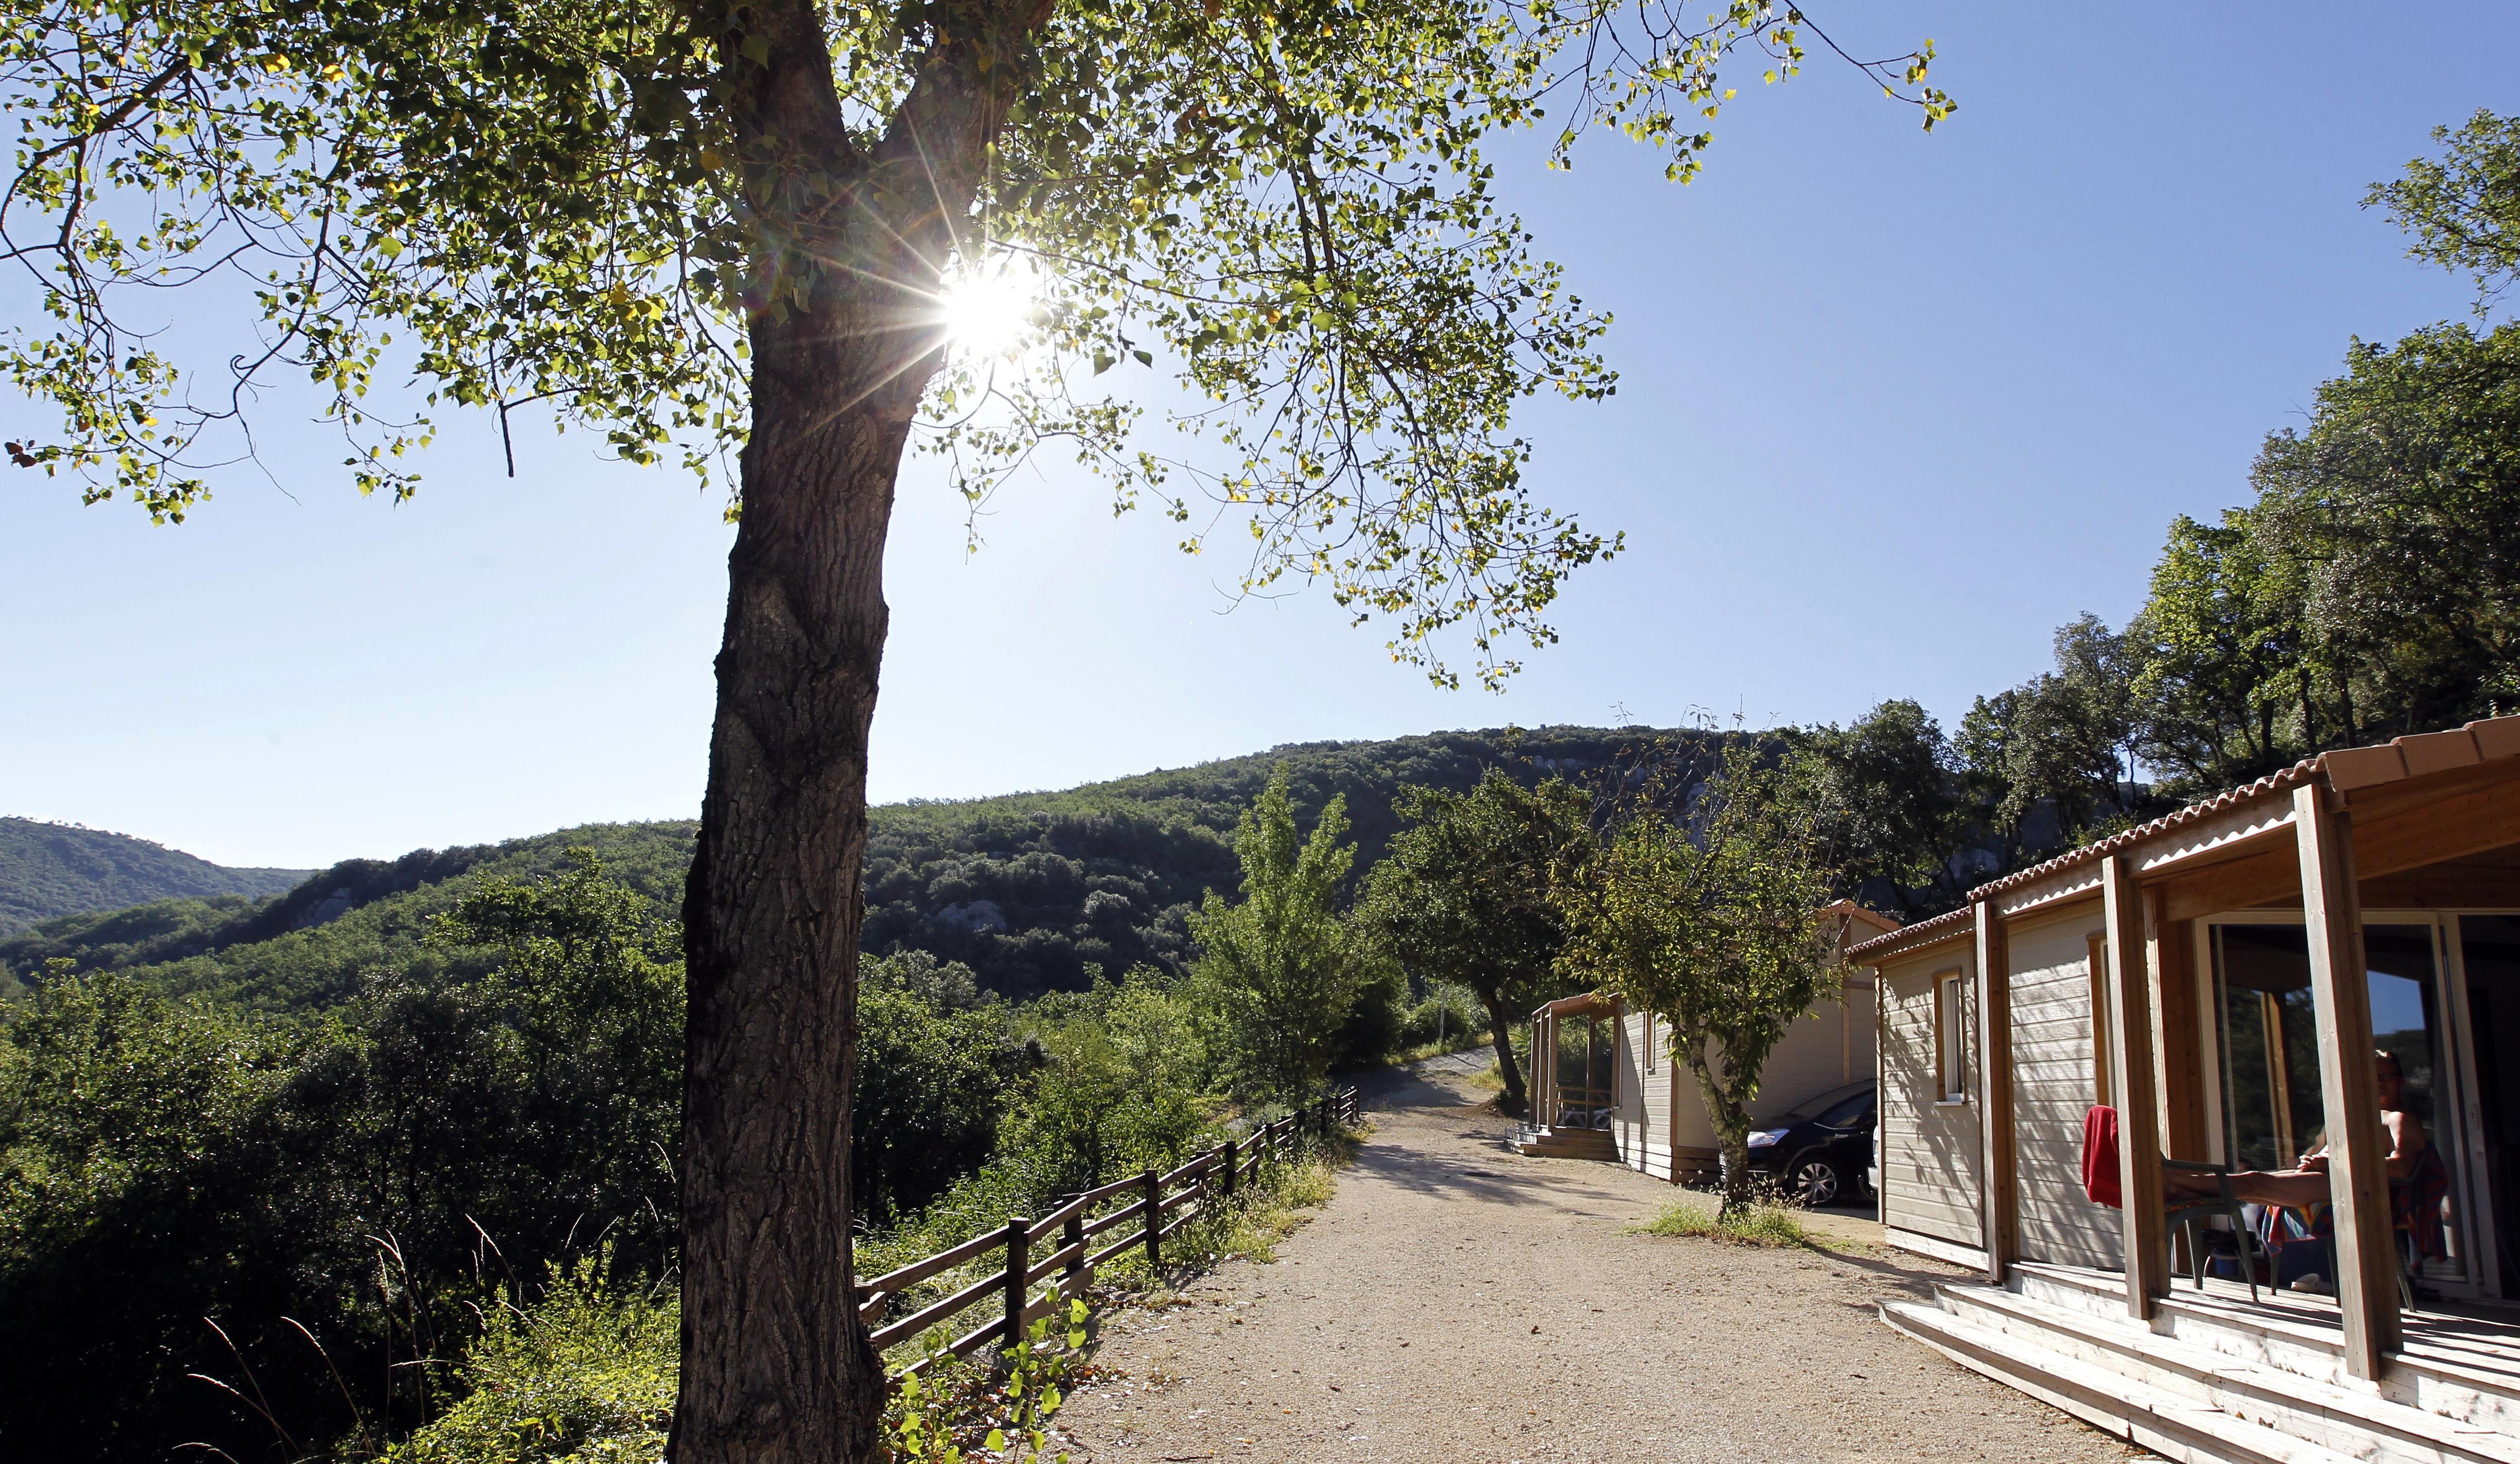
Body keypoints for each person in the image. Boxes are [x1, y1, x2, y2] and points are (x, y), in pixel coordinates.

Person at [2163, 1051, 2429, 1208]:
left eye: (2387, 1077)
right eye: (2373, 1077)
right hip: (2331, 1179)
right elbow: (2318, 1152)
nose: (2379, 1083)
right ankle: (2178, 1189)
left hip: (2357, 1189)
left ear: (2401, 1081)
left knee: (2254, 1182)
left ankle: (2171, 1180)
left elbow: (2401, 1167)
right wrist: (2312, 1160)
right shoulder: (2359, 1118)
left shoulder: (2401, 1118)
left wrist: (2334, 1165)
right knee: (2250, 1186)